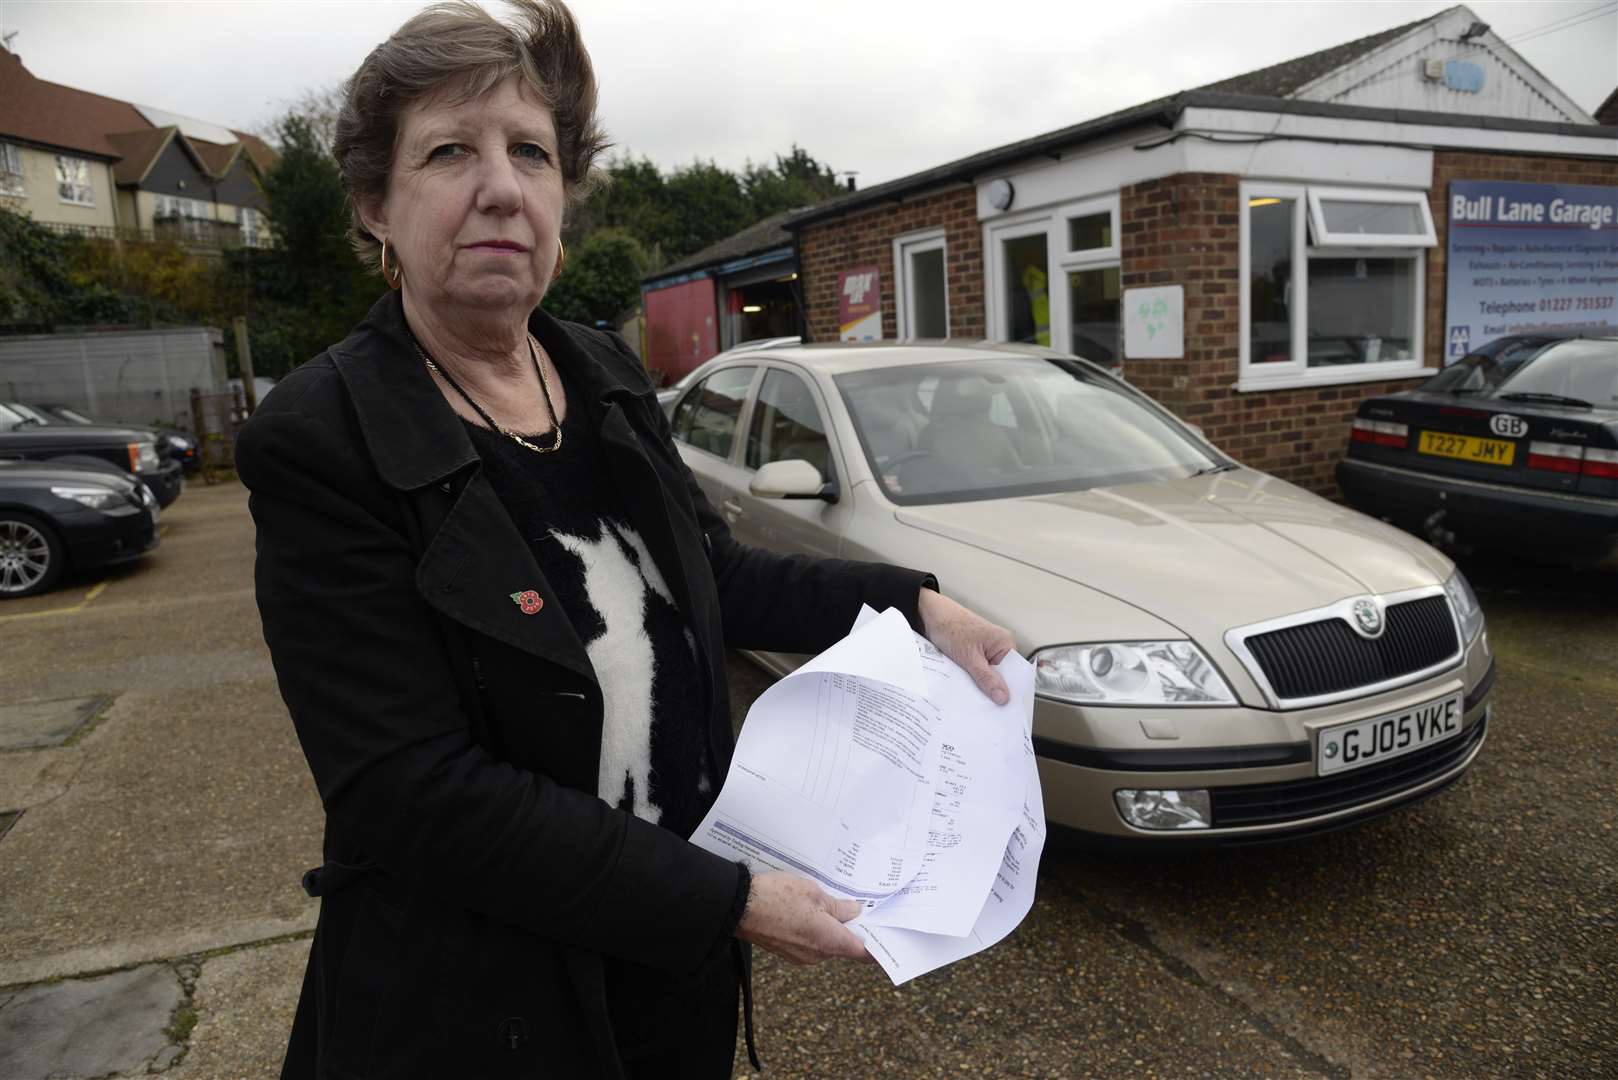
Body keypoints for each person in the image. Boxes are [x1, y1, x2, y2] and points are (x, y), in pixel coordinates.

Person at [237, 2, 1016, 1076]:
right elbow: (408, 790)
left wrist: (913, 605)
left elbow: (715, 577)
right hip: (483, 1006)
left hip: (665, 969)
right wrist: (731, 899)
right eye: (449, 152)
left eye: (530, 153)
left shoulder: (599, 373)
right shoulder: (322, 438)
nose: (500, 187)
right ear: (376, 204)